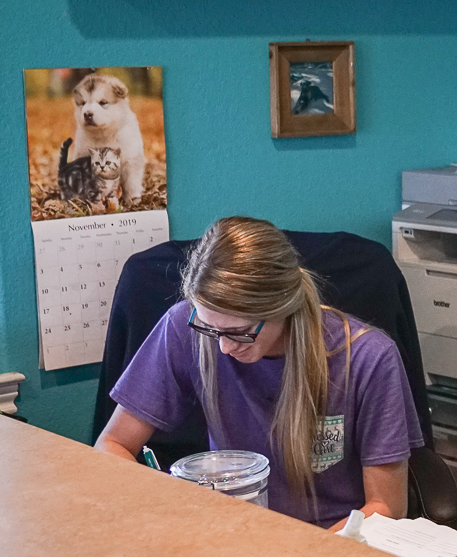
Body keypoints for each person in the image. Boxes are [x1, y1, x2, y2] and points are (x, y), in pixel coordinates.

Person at [96, 216, 422, 528]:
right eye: (209, 328)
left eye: (239, 332)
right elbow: (112, 444)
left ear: (282, 306)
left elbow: (387, 508)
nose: (223, 347)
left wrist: (300, 556)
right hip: (230, 536)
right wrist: (168, 506)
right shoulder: (186, 328)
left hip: (332, 545)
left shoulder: (369, 358)